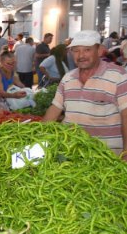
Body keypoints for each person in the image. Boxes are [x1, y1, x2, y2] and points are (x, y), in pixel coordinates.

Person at [44, 30, 127, 159]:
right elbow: (55, 109)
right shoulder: (68, 78)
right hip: (70, 150)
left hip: (106, 154)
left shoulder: (119, 76)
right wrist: (38, 136)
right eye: (76, 51)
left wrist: (126, 154)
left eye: (87, 50)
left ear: (99, 50)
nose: (81, 55)